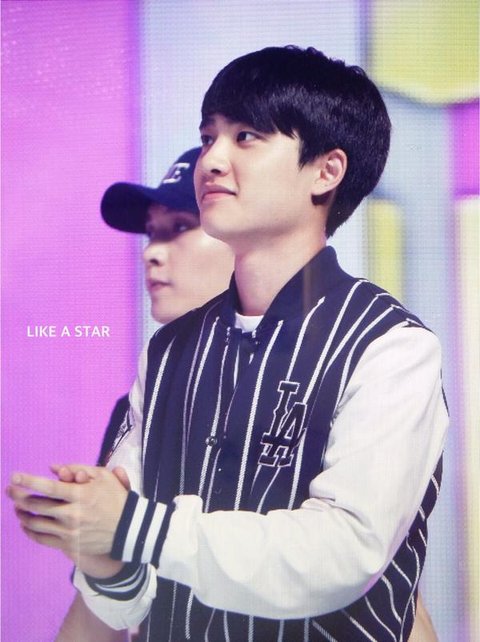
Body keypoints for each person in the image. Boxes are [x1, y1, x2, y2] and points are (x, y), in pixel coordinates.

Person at [9, 46, 447, 641]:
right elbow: (126, 606)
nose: (212, 159)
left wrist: (135, 526)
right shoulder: (168, 353)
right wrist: (102, 550)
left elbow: (347, 552)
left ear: (326, 171)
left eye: (245, 137)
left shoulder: (389, 347)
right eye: (208, 136)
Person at [55, 146, 235, 641]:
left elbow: (390, 595)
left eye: (179, 226)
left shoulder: (318, 382)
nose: (151, 251)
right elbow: (99, 614)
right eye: (152, 232)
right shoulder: (138, 405)